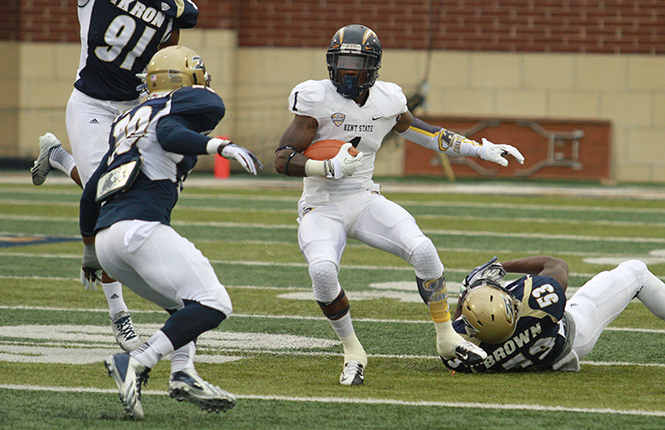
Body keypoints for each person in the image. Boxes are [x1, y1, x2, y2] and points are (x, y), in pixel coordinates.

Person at [274, 24, 525, 386]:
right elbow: (282, 158)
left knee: (424, 250)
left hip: (363, 197)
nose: (348, 71)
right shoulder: (315, 98)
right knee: (323, 273)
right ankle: (353, 352)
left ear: (373, 67)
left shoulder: (388, 99)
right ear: (331, 63)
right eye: (343, 61)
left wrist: (480, 149)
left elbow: (426, 133)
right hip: (321, 204)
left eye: (356, 63)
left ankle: (446, 338)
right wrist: (323, 167)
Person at [79, 45, 262, 419]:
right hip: (140, 227)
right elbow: (170, 133)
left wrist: (89, 252)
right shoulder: (171, 110)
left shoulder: (127, 120)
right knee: (214, 301)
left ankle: (183, 373)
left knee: (184, 307)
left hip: (108, 240)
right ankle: (138, 362)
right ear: (188, 79)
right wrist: (219, 146)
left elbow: (91, 190)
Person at [31, 0, 200, 351]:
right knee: (111, 199)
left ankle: (59, 157)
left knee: (123, 189)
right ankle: (118, 312)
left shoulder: (170, 9)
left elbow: (188, 17)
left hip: (134, 105)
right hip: (92, 105)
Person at [443, 255, 665, 373]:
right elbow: (554, 264)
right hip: (572, 336)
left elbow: (457, 330)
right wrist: (499, 268)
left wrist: (464, 294)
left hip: (535, 354)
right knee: (636, 272)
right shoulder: (539, 303)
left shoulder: (456, 355)